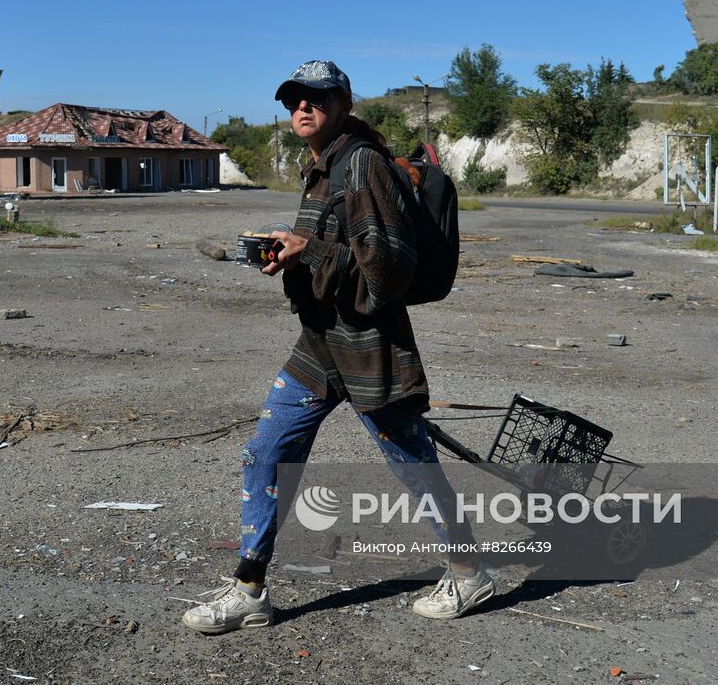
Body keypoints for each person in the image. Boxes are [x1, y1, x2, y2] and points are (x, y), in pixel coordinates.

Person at [182, 60, 491, 635]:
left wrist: (314, 252)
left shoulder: (363, 164)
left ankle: (469, 571)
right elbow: (335, 245)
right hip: (320, 345)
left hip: (368, 347)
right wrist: (291, 252)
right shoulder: (322, 166)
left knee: (414, 467)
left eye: (317, 98)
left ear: (344, 104)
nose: (303, 107)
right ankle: (249, 589)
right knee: (266, 453)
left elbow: (390, 270)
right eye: (294, 99)